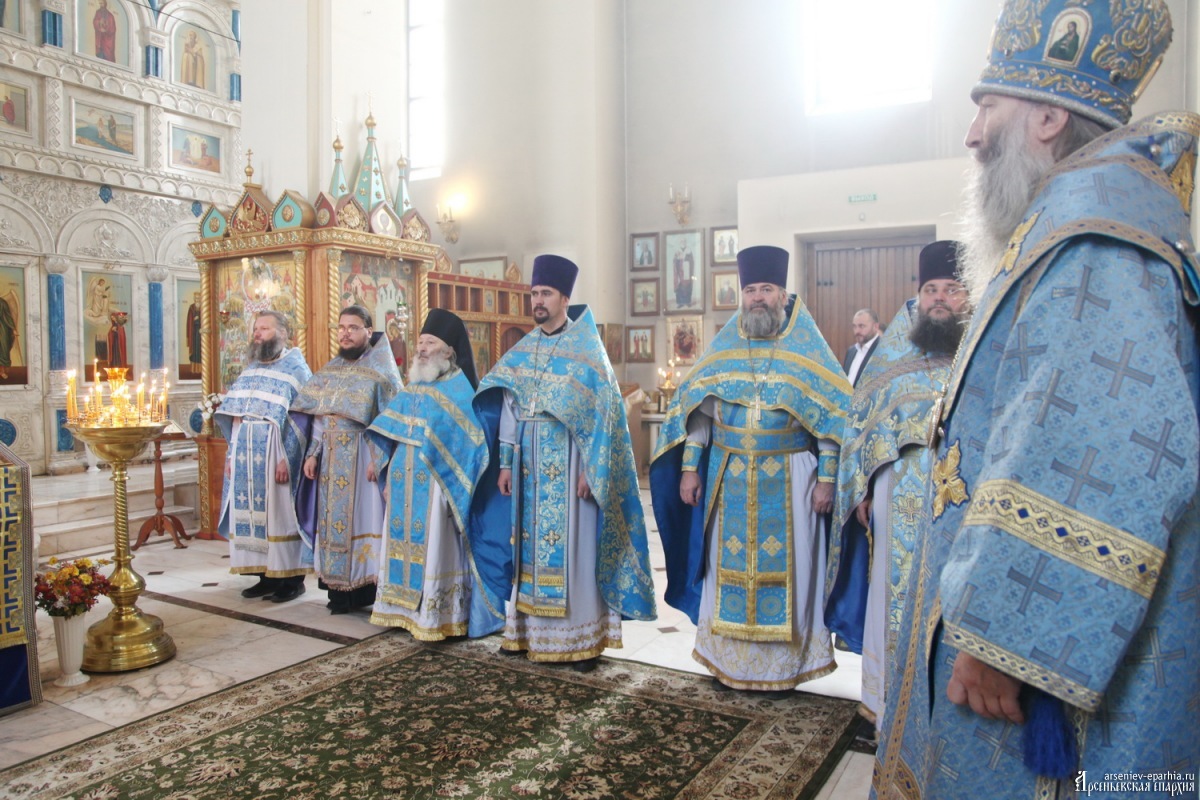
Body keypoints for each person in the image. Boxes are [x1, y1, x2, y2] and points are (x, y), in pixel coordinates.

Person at [874, 1, 1199, 795]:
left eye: (987, 107)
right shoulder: (1079, 223)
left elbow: (1102, 450)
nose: (971, 134)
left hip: (1033, 657)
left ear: (1049, 118)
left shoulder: (1094, 243)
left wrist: (1002, 638)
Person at [650, 245, 850, 693]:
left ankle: (783, 668)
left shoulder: (808, 349)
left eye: (767, 289)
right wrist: (689, 470)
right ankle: (730, 661)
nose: (758, 297)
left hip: (792, 477)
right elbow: (699, 413)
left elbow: (832, 420)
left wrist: (827, 478)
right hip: (729, 477)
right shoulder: (725, 348)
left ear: (783, 295)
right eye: (751, 290)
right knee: (724, 569)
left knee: (795, 570)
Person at [473, 254, 656, 671]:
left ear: (564, 298)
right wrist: (505, 463)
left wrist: (592, 467)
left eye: (546, 293)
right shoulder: (523, 350)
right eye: (534, 293)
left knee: (576, 551)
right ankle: (526, 634)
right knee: (527, 551)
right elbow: (509, 407)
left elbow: (604, 418)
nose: (538, 301)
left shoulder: (587, 350)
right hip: (528, 468)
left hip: (572, 465)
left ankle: (581, 641)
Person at [824, 241, 970, 735]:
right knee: (893, 595)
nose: (939, 298)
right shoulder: (893, 354)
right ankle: (885, 704)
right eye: (930, 289)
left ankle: (948, 709)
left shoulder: (983, 347)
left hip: (964, 498)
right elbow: (864, 423)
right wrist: (862, 489)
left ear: (967, 296)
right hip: (897, 493)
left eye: (951, 289)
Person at [366, 309, 503, 640]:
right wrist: (386, 470)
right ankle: (401, 611)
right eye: (421, 342)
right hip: (403, 481)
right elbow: (393, 434)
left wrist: (454, 489)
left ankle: (436, 616)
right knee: (401, 545)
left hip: (439, 485)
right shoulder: (414, 387)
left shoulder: (460, 391)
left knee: (435, 549)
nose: (422, 349)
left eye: (430, 343)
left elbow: (471, 448)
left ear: (449, 351)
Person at [292, 306, 402, 614]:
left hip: (363, 458)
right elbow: (319, 417)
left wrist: (378, 458)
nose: (345, 333)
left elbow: (391, 419)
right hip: (331, 459)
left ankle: (365, 589)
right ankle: (338, 593)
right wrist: (313, 454)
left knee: (365, 520)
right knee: (333, 524)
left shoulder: (381, 372)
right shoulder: (331, 370)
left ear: (368, 331)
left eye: (353, 328)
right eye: (341, 327)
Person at [215, 311, 313, 603]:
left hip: (276, 454)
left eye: (264, 329)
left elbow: (301, 421)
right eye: (256, 329)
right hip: (245, 454)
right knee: (254, 516)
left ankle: (291, 580)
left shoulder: (296, 369)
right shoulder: (251, 369)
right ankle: (264, 576)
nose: (257, 334)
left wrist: (287, 459)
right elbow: (236, 417)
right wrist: (231, 455)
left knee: (279, 516)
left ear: (282, 333)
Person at [842, 308, 880, 386]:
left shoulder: (882, 351)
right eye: (854, 326)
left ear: (875, 326)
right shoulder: (851, 351)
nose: (857, 331)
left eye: (861, 326)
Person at [186, 292, 202, 372]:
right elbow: (189, 322)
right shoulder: (191, 308)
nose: (197, 299)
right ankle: (194, 369)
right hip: (194, 332)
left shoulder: (203, 307)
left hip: (201, 332)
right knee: (195, 351)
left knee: (201, 350)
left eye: (198, 298)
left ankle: (201, 369)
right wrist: (194, 319)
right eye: (195, 298)